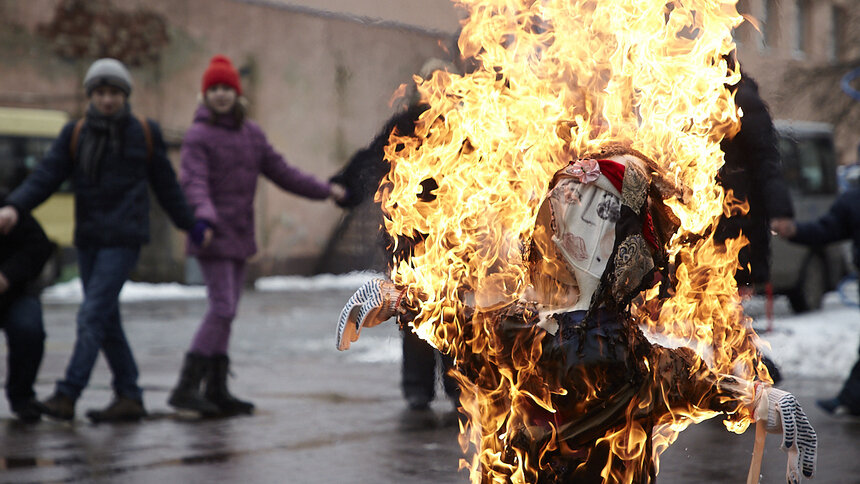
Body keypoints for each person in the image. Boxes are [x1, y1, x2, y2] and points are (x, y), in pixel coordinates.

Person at [337, 145, 817, 483]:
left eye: (599, 213)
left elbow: (695, 384)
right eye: (570, 205)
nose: (576, 219)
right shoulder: (518, 326)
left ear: (626, 248)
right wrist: (397, 298)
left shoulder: (636, 360)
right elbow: (457, 320)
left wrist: (759, 397)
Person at [0, 58, 201, 423]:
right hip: (90, 237)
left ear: (125, 96)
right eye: (100, 93)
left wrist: (191, 225)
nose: (107, 100)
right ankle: (129, 395)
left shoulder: (145, 131)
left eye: (114, 93)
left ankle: (67, 393)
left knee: (91, 314)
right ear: (91, 95)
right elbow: (46, 176)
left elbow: (167, 186)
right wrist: (15, 206)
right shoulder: (76, 134)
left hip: (124, 238)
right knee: (105, 319)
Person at [167, 55, 346, 417]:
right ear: (205, 95)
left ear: (237, 93)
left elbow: (282, 171)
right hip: (211, 234)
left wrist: (324, 190)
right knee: (222, 308)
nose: (220, 95)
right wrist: (204, 216)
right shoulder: (198, 136)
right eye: (213, 89)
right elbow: (194, 181)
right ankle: (187, 388)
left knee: (227, 312)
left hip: (239, 234)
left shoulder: (252, 135)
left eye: (226, 88)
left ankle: (216, 389)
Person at [330, 58, 460, 426]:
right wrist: (346, 185)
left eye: (443, 79)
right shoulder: (405, 123)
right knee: (413, 311)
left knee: (452, 314)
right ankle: (417, 388)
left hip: (452, 237)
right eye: (430, 80)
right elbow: (373, 157)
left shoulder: (466, 123)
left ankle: (455, 388)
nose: (436, 86)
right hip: (408, 236)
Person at [771, 154, 860, 417]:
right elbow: (827, 229)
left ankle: (851, 399)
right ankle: (851, 399)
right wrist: (794, 231)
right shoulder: (853, 201)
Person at [0, 195, 53, 423]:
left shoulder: (6, 207)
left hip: (14, 292)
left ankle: (22, 397)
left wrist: (7, 276)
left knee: (28, 329)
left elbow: (40, 245)